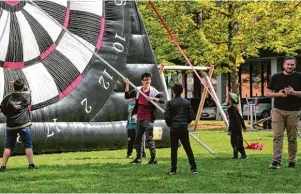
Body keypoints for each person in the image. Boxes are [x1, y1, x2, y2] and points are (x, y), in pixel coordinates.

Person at [266, 56, 301, 169]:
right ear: (283, 65)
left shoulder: (299, 77)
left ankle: (292, 161)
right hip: (278, 110)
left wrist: (293, 92)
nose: (290, 66)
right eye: (288, 64)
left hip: (294, 111)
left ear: (295, 66)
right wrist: (279, 95)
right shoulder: (276, 77)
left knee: (292, 138)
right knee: (277, 137)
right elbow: (267, 93)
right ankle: (276, 161)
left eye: (292, 65)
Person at [124, 72, 165, 164]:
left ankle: (153, 158)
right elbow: (127, 96)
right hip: (139, 117)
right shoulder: (138, 90)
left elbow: (162, 100)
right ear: (142, 81)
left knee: (149, 138)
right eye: (146, 80)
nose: (148, 81)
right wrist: (127, 84)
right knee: (138, 138)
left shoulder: (153, 91)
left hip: (148, 118)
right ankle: (138, 158)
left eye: (149, 79)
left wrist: (153, 98)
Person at [0, 78, 37, 172]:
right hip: (24, 124)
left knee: (8, 146)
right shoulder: (26, 95)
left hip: (11, 125)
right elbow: (29, 90)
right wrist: (21, 85)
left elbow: (2, 109)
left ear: (13, 87)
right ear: (21, 87)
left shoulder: (7, 97)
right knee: (28, 145)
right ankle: (31, 165)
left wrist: (9, 114)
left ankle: (3, 167)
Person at [164, 83, 198, 175]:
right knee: (188, 148)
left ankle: (173, 169)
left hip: (174, 129)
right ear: (182, 91)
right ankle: (194, 168)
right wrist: (185, 123)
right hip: (183, 128)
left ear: (173, 91)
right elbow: (191, 116)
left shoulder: (170, 103)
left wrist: (171, 124)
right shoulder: (186, 102)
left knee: (174, 150)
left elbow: (166, 116)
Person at [227, 92, 248, 159]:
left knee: (234, 142)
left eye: (228, 98)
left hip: (234, 128)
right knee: (239, 141)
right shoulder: (235, 108)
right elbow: (240, 118)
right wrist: (244, 127)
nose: (227, 99)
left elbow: (232, 120)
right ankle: (243, 155)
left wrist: (230, 130)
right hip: (238, 127)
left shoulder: (230, 109)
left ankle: (236, 154)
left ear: (231, 100)